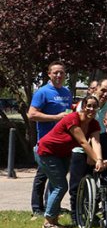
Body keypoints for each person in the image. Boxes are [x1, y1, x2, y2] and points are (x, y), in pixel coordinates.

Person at [37, 95, 104, 228]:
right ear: (83, 106)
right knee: (61, 186)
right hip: (47, 151)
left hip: (63, 154)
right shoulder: (73, 118)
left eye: (94, 106)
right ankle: (48, 221)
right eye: (88, 105)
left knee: (54, 185)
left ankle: (53, 219)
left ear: (98, 108)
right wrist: (96, 160)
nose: (91, 109)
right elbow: (83, 142)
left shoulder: (94, 124)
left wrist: (100, 160)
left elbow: (96, 142)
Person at [28, 60, 74, 215]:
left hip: (63, 143)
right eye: (55, 72)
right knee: (42, 176)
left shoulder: (67, 92)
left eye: (62, 72)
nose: (59, 75)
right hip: (46, 142)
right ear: (49, 74)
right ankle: (37, 208)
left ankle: (52, 206)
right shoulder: (43, 92)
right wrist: (55, 117)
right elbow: (32, 114)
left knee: (58, 176)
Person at [68, 79, 107, 224]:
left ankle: (90, 213)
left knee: (96, 185)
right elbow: (81, 134)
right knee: (76, 185)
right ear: (96, 89)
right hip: (80, 149)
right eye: (103, 90)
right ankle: (76, 215)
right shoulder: (85, 105)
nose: (105, 94)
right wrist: (90, 153)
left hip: (98, 149)